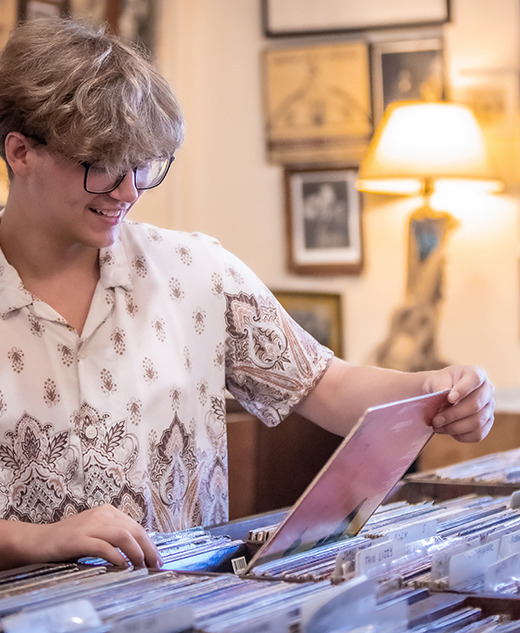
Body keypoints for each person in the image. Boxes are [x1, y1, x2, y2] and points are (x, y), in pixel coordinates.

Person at [0, 17, 495, 572]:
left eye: (140, 167)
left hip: (188, 610)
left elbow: (324, 384)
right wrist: (33, 540)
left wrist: (432, 391)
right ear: (21, 152)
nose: (128, 191)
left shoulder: (196, 271)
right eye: (101, 167)